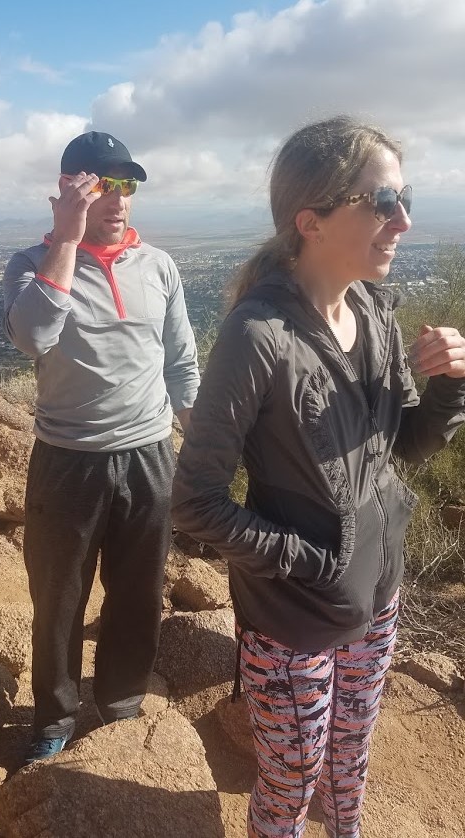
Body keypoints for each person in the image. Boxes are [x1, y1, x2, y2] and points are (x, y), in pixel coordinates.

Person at [171, 116, 465, 837]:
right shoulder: (258, 335)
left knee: (350, 759)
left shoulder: (374, 308)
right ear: (312, 221)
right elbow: (196, 503)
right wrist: (309, 561)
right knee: (293, 775)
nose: (403, 220)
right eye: (383, 202)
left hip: (379, 590)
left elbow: (405, 445)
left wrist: (453, 385)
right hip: (293, 618)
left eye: (405, 197)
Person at [3, 130, 199, 765]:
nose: (117, 198)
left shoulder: (160, 266)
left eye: (126, 184)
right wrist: (66, 236)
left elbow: (181, 362)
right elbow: (34, 335)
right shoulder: (30, 265)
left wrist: (199, 443)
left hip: (148, 454)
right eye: (100, 184)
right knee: (58, 598)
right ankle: (54, 717)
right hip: (66, 459)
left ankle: (120, 707)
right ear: (69, 189)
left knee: (139, 592)